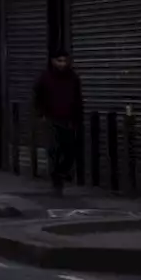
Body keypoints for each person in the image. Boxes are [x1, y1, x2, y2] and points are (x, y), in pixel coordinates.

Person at [34, 49, 85, 194]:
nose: (62, 64)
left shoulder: (73, 78)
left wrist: (78, 118)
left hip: (68, 119)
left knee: (69, 152)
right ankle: (56, 181)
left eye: (65, 61)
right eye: (59, 61)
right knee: (54, 150)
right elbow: (37, 97)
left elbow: (78, 99)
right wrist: (41, 114)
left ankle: (60, 173)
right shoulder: (45, 78)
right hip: (51, 118)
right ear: (53, 61)